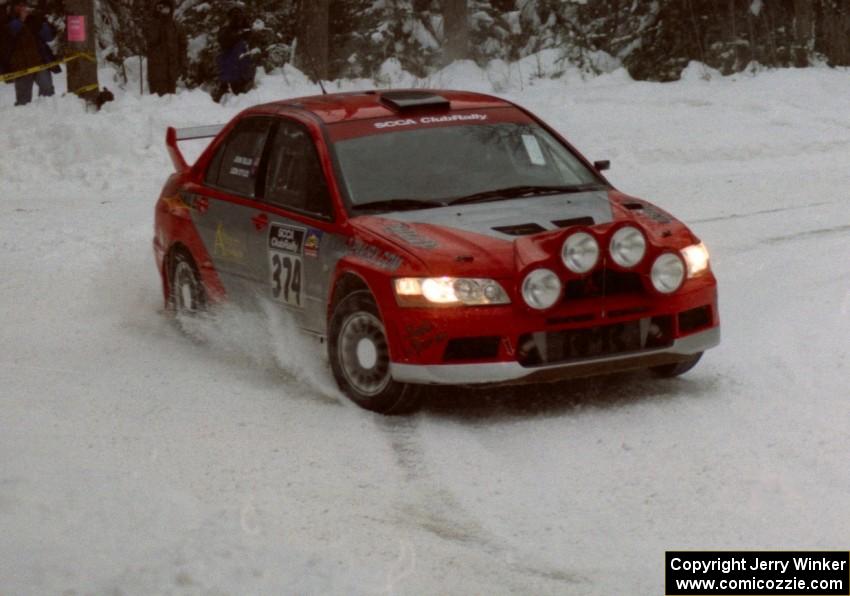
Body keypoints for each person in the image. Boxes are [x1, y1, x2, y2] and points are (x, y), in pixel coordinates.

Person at [5, 2, 56, 106]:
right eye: (19, 5)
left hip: (39, 61)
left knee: (48, 92)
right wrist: (21, 20)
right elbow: (9, 35)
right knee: (23, 100)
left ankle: (48, 115)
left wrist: (43, 22)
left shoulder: (33, 19)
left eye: (24, 5)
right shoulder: (7, 19)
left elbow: (48, 37)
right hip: (20, 65)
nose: (23, 8)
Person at [144, 0, 186, 96]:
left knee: (171, 100)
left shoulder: (176, 27)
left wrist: (183, 65)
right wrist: (157, 18)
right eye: (162, 7)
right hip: (157, 72)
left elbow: (182, 47)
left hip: (172, 72)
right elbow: (151, 39)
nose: (165, 10)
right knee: (158, 101)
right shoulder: (152, 24)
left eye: (167, 7)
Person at [213, 6, 254, 102]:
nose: (238, 19)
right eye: (235, 16)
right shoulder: (226, 29)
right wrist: (238, 35)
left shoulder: (246, 28)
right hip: (229, 66)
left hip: (243, 68)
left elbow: (252, 43)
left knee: (243, 95)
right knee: (227, 91)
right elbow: (223, 41)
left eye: (240, 16)